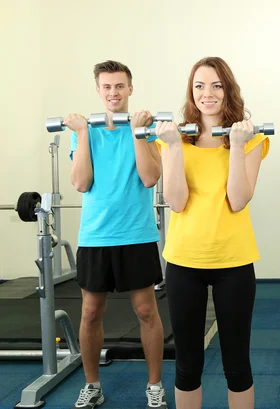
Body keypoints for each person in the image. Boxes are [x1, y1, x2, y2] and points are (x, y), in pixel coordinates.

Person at [152, 56, 269, 409]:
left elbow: (237, 199)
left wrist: (235, 144)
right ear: (191, 91)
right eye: (200, 85)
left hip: (233, 261)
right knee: (188, 365)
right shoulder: (174, 140)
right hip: (184, 262)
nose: (208, 93)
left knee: (237, 365)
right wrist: (173, 147)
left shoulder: (252, 139)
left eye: (217, 85)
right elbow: (176, 201)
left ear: (228, 89)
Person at [65, 60, 168, 409]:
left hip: (136, 234)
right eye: (107, 87)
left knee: (145, 311)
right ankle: (92, 385)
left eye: (119, 86)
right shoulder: (85, 132)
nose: (113, 92)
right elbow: (81, 183)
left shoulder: (144, 129)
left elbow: (150, 177)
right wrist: (81, 133)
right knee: (90, 312)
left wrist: (139, 133)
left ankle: (154, 386)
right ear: (98, 90)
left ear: (130, 88)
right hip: (95, 237)